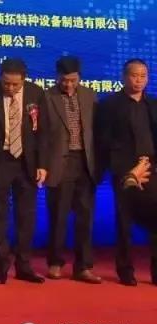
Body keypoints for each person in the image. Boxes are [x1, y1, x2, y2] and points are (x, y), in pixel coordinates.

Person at [0, 58, 49, 284]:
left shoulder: (36, 93)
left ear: (23, 80)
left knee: (26, 216)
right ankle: (1, 268)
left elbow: (43, 132)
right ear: (0, 77)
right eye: (6, 83)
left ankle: (24, 266)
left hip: (27, 163)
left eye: (15, 84)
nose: (10, 88)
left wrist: (42, 164)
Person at [96, 58, 157, 285]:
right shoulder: (109, 105)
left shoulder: (153, 104)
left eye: (143, 76)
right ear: (124, 77)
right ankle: (125, 270)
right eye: (134, 75)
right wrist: (128, 168)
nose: (138, 80)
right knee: (124, 221)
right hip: (125, 171)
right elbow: (104, 140)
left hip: (151, 169)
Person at [44, 57, 101, 283]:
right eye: (64, 80)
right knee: (58, 216)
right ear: (57, 77)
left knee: (85, 217)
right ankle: (55, 262)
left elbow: (96, 129)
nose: (68, 85)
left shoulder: (89, 95)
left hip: (85, 162)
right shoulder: (47, 97)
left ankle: (83, 266)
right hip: (60, 163)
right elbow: (42, 134)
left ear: (79, 77)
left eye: (73, 80)